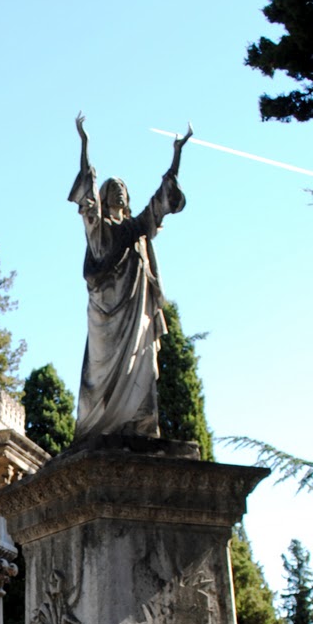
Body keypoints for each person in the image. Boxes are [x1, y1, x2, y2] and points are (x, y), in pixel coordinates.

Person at [69, 114, 191, 440]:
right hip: (106, 315)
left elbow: (161, 203)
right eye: (113, 189)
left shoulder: (137, 231)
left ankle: (140, 425)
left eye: (123, 189)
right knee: (99, 373)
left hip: (137, 313)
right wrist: (85, 146)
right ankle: (99, 428)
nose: (119, 192)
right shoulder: (101, 234)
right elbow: (88, 202)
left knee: (143, 367)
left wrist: (177, 154)